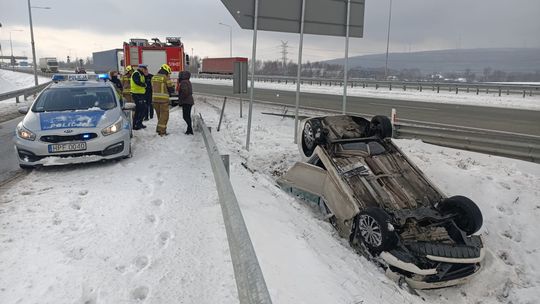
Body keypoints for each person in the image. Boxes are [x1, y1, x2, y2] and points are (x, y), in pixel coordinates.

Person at [151, 64, 175, 136]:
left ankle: (159, 129)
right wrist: (173, 88)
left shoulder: (154, 77)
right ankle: (162, 132)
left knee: (159, 116)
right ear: (166, 71)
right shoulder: (165, 77)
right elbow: (170, 89)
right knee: (164, 116)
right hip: (163, 100)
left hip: (155, 99)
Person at [131, 64, 148, 130]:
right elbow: (137, 82)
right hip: (136, 94)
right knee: (141, 109)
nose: (145, 70)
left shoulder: (141, 74)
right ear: (141, 68)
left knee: (141, 109)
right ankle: (136, 124)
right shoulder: (136, 73)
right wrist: (144, 85)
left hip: (140, 94)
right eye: (144, 68)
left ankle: (138, 123)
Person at [178, 71, 194, 135]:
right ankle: (189, 130)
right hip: (189, 101)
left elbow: (185, 92)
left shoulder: (183, 82)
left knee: (185, 116)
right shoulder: (187, 81)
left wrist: (181, 99)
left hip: (186, 102)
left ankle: (190, 129)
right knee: (187, 116)